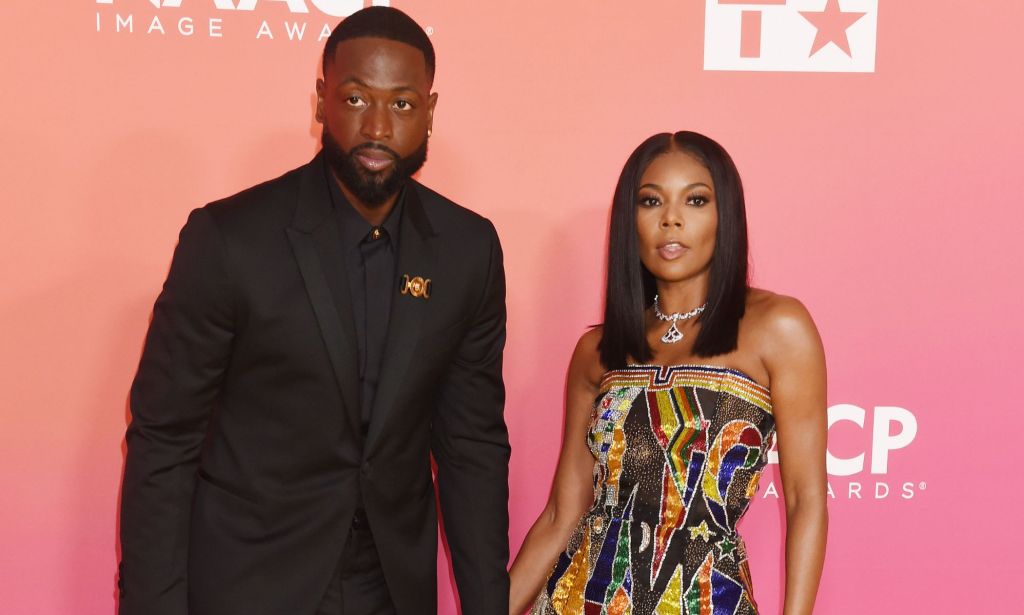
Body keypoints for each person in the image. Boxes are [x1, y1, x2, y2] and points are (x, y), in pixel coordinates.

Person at [118, 7, 510, 615]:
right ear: (320, 102)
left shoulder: (469, 250)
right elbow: (163, 440)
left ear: (431, 111)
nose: (377, 126)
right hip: (248, 584)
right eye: (356, 98)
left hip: (392, 588)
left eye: (402, 104)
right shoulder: (229, 240)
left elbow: (471, 446)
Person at [509, 132, 827, 614]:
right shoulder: (597, 350)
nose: (671, 218)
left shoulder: (778, 328)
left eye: (696, 200)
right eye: (651, 201)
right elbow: (561, 514)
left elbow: (806, 501)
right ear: (629, 220)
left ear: (727, 217)